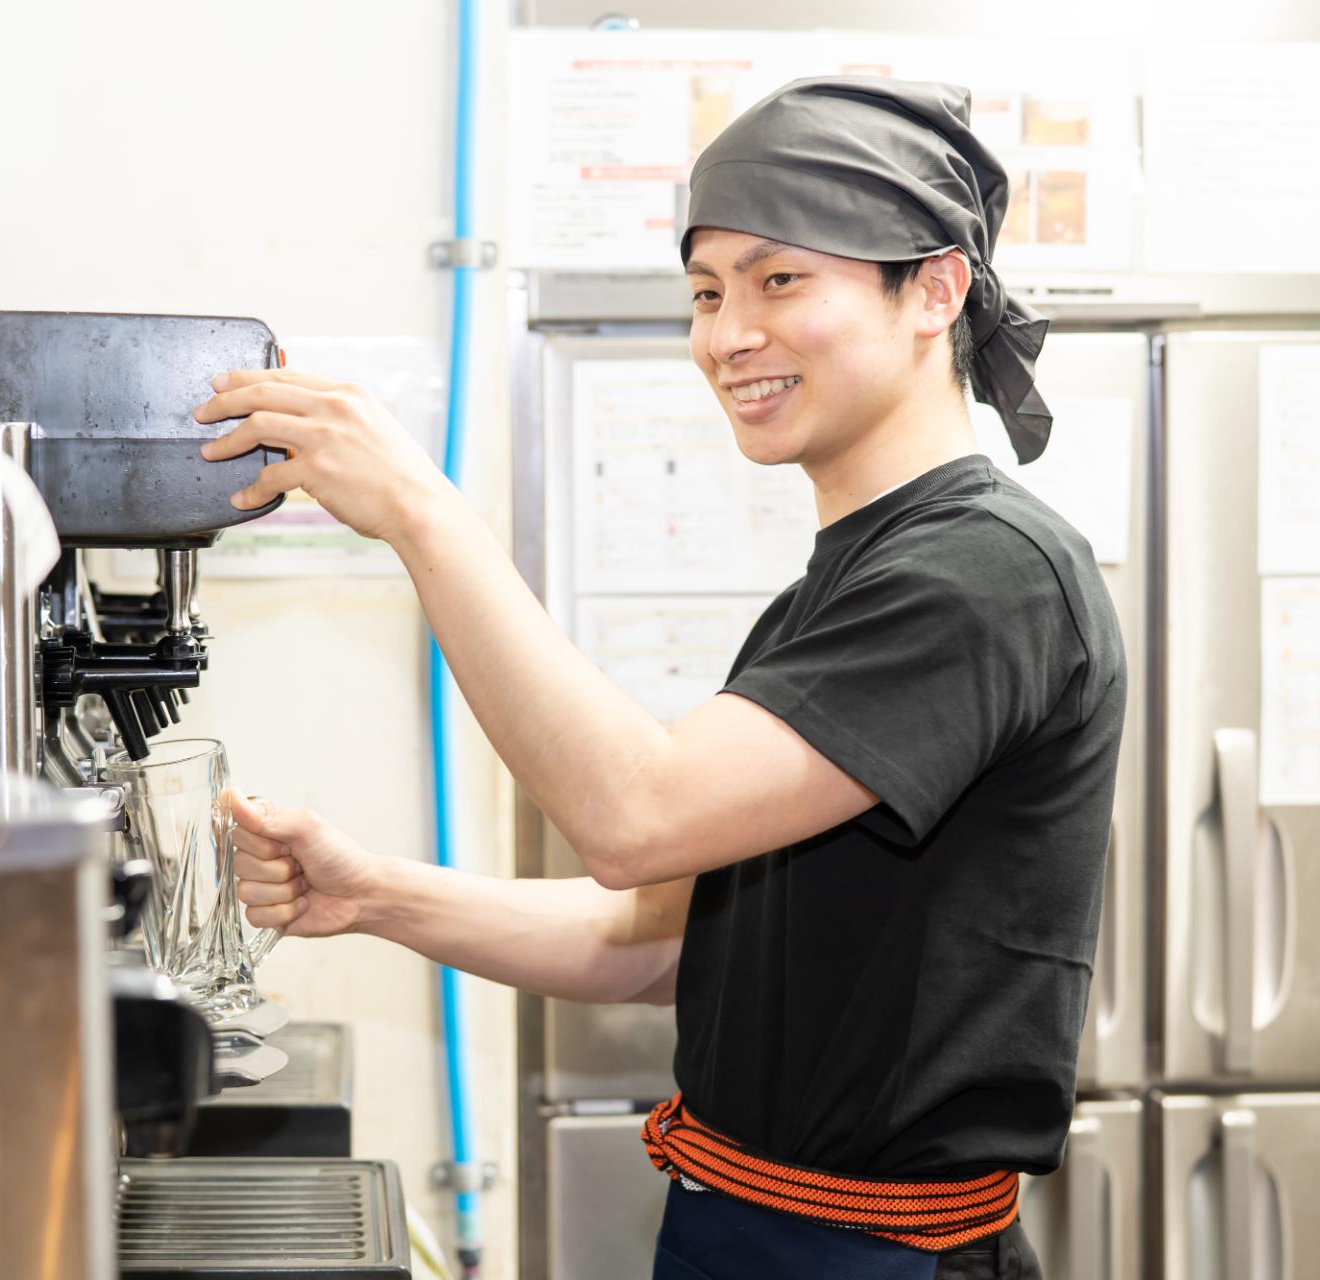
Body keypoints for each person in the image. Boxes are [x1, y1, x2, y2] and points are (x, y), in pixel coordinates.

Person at [195, 76, 1125, 1280]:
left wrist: (425, 513)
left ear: (933, 289)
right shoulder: (842, 588)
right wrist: (371, 892)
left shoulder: (984, 574)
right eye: (705, 290)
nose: (728, 332)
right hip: (746, 1231)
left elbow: (635, 819)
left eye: (780, 278)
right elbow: (658, 943)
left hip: (873, 1256)